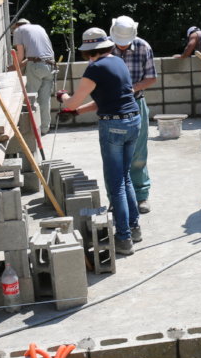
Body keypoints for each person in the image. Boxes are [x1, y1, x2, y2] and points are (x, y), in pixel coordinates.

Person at [55, 28, 141, 255]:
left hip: (114, 126)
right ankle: (134, 228)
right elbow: (105, 101)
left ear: (88, 51)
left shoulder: (95, 68)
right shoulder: (118, 62)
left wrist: (63, 97)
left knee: (116, 184)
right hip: (133, 121)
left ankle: (123, 239)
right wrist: (77, 112)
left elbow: (72, 101)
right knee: (125, 177)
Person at [109, 16, 158, 214]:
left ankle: (141, 196)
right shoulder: (104, 48)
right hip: (111, 107)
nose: (121, 46)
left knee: (138, 153)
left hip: (136, 103)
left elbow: (151, 77)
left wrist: (131, 88)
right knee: (113, 155)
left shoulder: (143, 47)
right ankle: (115, 198)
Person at [9, 18, 57, 135]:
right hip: (50, 65)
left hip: (35, 66)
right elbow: (35, 55)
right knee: (45, 99)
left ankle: (32, 130)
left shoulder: (18, 30)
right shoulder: (39, 28)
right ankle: (44, 129)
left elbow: (20, 55)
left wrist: (14, 67)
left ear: (16, 26)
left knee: (31, 99)